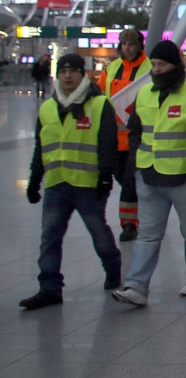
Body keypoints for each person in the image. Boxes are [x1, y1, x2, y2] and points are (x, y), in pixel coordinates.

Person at [111, 40, 186, 307]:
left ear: (175, 66)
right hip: (149, 175)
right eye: (154, 65)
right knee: (148, 233)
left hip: (183, 177)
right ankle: (136, 286)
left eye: (161, 65)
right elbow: (135, 129)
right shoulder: (145, 94)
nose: (156, 70)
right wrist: (137, 161)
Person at [20, 53, 122, 310]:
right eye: (62, 71)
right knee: (50, 237)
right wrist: (35, 179)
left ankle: (113, 267)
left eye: (72, 71)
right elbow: (40, 147)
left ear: (82, 73)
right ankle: (49, 287)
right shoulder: (47, 108)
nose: (67, 76)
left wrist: (106, 177)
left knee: (98, 233)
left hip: (88, 184)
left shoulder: (99, 105)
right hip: (57, 183)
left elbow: (108, 144)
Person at [98, 28, 151, 242]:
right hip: (114, 138)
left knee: (129, 182)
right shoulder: (112, 68)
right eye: (124, 44)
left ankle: (129, 223)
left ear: (139, 45)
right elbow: (101, 93)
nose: (127, 48)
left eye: (131, 44)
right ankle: (142, 213)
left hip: (137, 138)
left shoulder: (148, 68)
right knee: (124, 179)